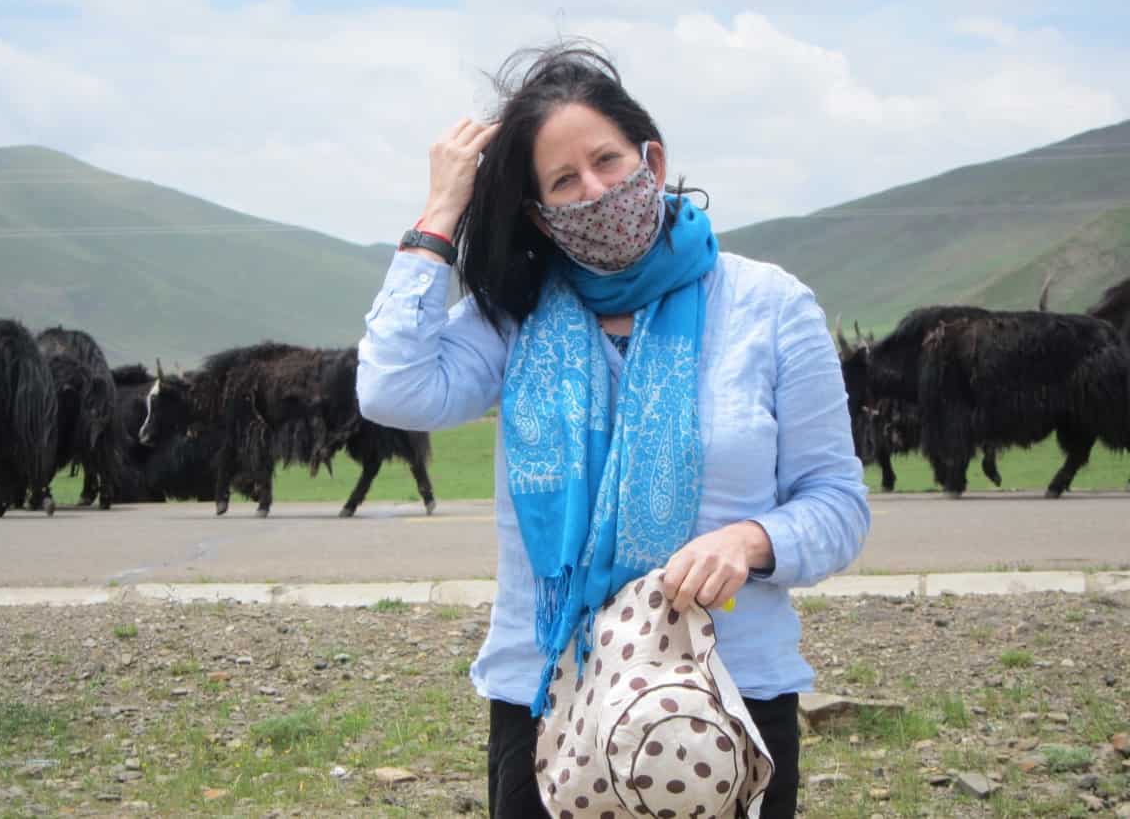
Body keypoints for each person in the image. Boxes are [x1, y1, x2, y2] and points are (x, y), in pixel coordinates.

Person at [357, 42, 870, 819]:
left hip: (725, 697)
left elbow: (837, 502)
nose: (594, 190)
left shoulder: (769, 307)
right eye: (564, 180)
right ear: (539, 214)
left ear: (652, 162)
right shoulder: (515, 319)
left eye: (606, 161)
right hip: (546, 695)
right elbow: (393, 389)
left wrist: (749, 542)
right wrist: (439, 215)